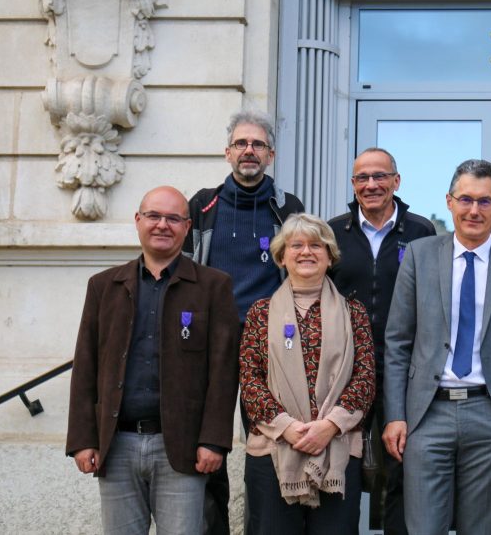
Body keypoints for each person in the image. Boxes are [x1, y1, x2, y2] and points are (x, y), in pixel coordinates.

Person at [382, 159, 491, 535]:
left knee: (484, 529)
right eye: (466, 199)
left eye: (485, 201)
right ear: (449, 201)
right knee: (424, 528)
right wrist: (395, 414)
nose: (475, 210)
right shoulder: (420, 256)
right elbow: (397, 343)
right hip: (426, 415)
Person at [66, 186, 240, 534]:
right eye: (154, 216)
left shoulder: (213, 286)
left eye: (174, 218)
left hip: (182, 447)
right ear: (138, 221)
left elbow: (224, 373)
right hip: (116, 445)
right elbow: (86, 365)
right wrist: (83, 439)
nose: (163, 225)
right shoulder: (103, 286)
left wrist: (214, 441)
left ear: (187, 227)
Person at [184, 109, 305, 533]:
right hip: (209, 343)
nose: (248, 151)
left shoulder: (287, 207)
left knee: (267, 446)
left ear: (270, 154)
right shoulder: (202, 205)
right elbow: (182, 271)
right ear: (227, 152)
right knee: (206, 445)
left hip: (268, 344)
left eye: (257, 144)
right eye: (241, 143)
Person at [239, 213, 376, 533]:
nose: (306, 252)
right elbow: (250, 379)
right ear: (282, 256)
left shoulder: (353, 313)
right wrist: (287, 428)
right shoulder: (260, 312)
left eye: (316, 245)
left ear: (330, 256)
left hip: (338, 449)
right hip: (273, 451)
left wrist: (329, 427)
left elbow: (366, 377)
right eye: (296, 245)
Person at [328, 147, 436, 534]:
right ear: (354, 184)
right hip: (345, 369)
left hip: (404, 369)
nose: (371, 185)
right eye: (362, 178)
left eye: (379, 176)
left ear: (396, 181)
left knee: (401, 464)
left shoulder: (421, 231)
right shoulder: (334, 231)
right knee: (344, 463)